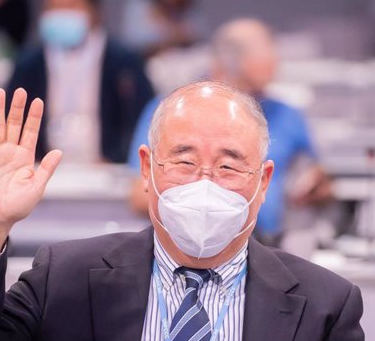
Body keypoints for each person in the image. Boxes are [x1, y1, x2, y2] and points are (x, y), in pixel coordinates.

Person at [0, 81, 368, 341]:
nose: (204, 182)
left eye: (229, 167)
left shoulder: (324, 304)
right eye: (184, 161)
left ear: (263, 181)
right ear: (147, 169)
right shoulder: (67, 278)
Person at [128, 19, 332, 247]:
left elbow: (320, 179)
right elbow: (139, 194)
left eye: (259, 93)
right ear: (219, 70)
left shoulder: (286, 113)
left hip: (269, 244)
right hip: (181, 241)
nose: (252, 104)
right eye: (247, 87)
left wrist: (316, 184)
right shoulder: (171, 112)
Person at [7, 0, 154, 163]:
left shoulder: (124, 62)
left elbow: (144, 120)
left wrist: (117, 157)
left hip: (109, 170)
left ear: (95, 10)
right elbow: (12, 117)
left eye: (71, 5)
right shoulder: (28, 64)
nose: (62, 14)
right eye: (54, 6)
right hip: (42, 167)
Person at [120, 0, 206, 58]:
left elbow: (200, 37)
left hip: (185, 68)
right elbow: (133, 46)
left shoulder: (186, 5)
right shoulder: (140, 4)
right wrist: (172, 39)